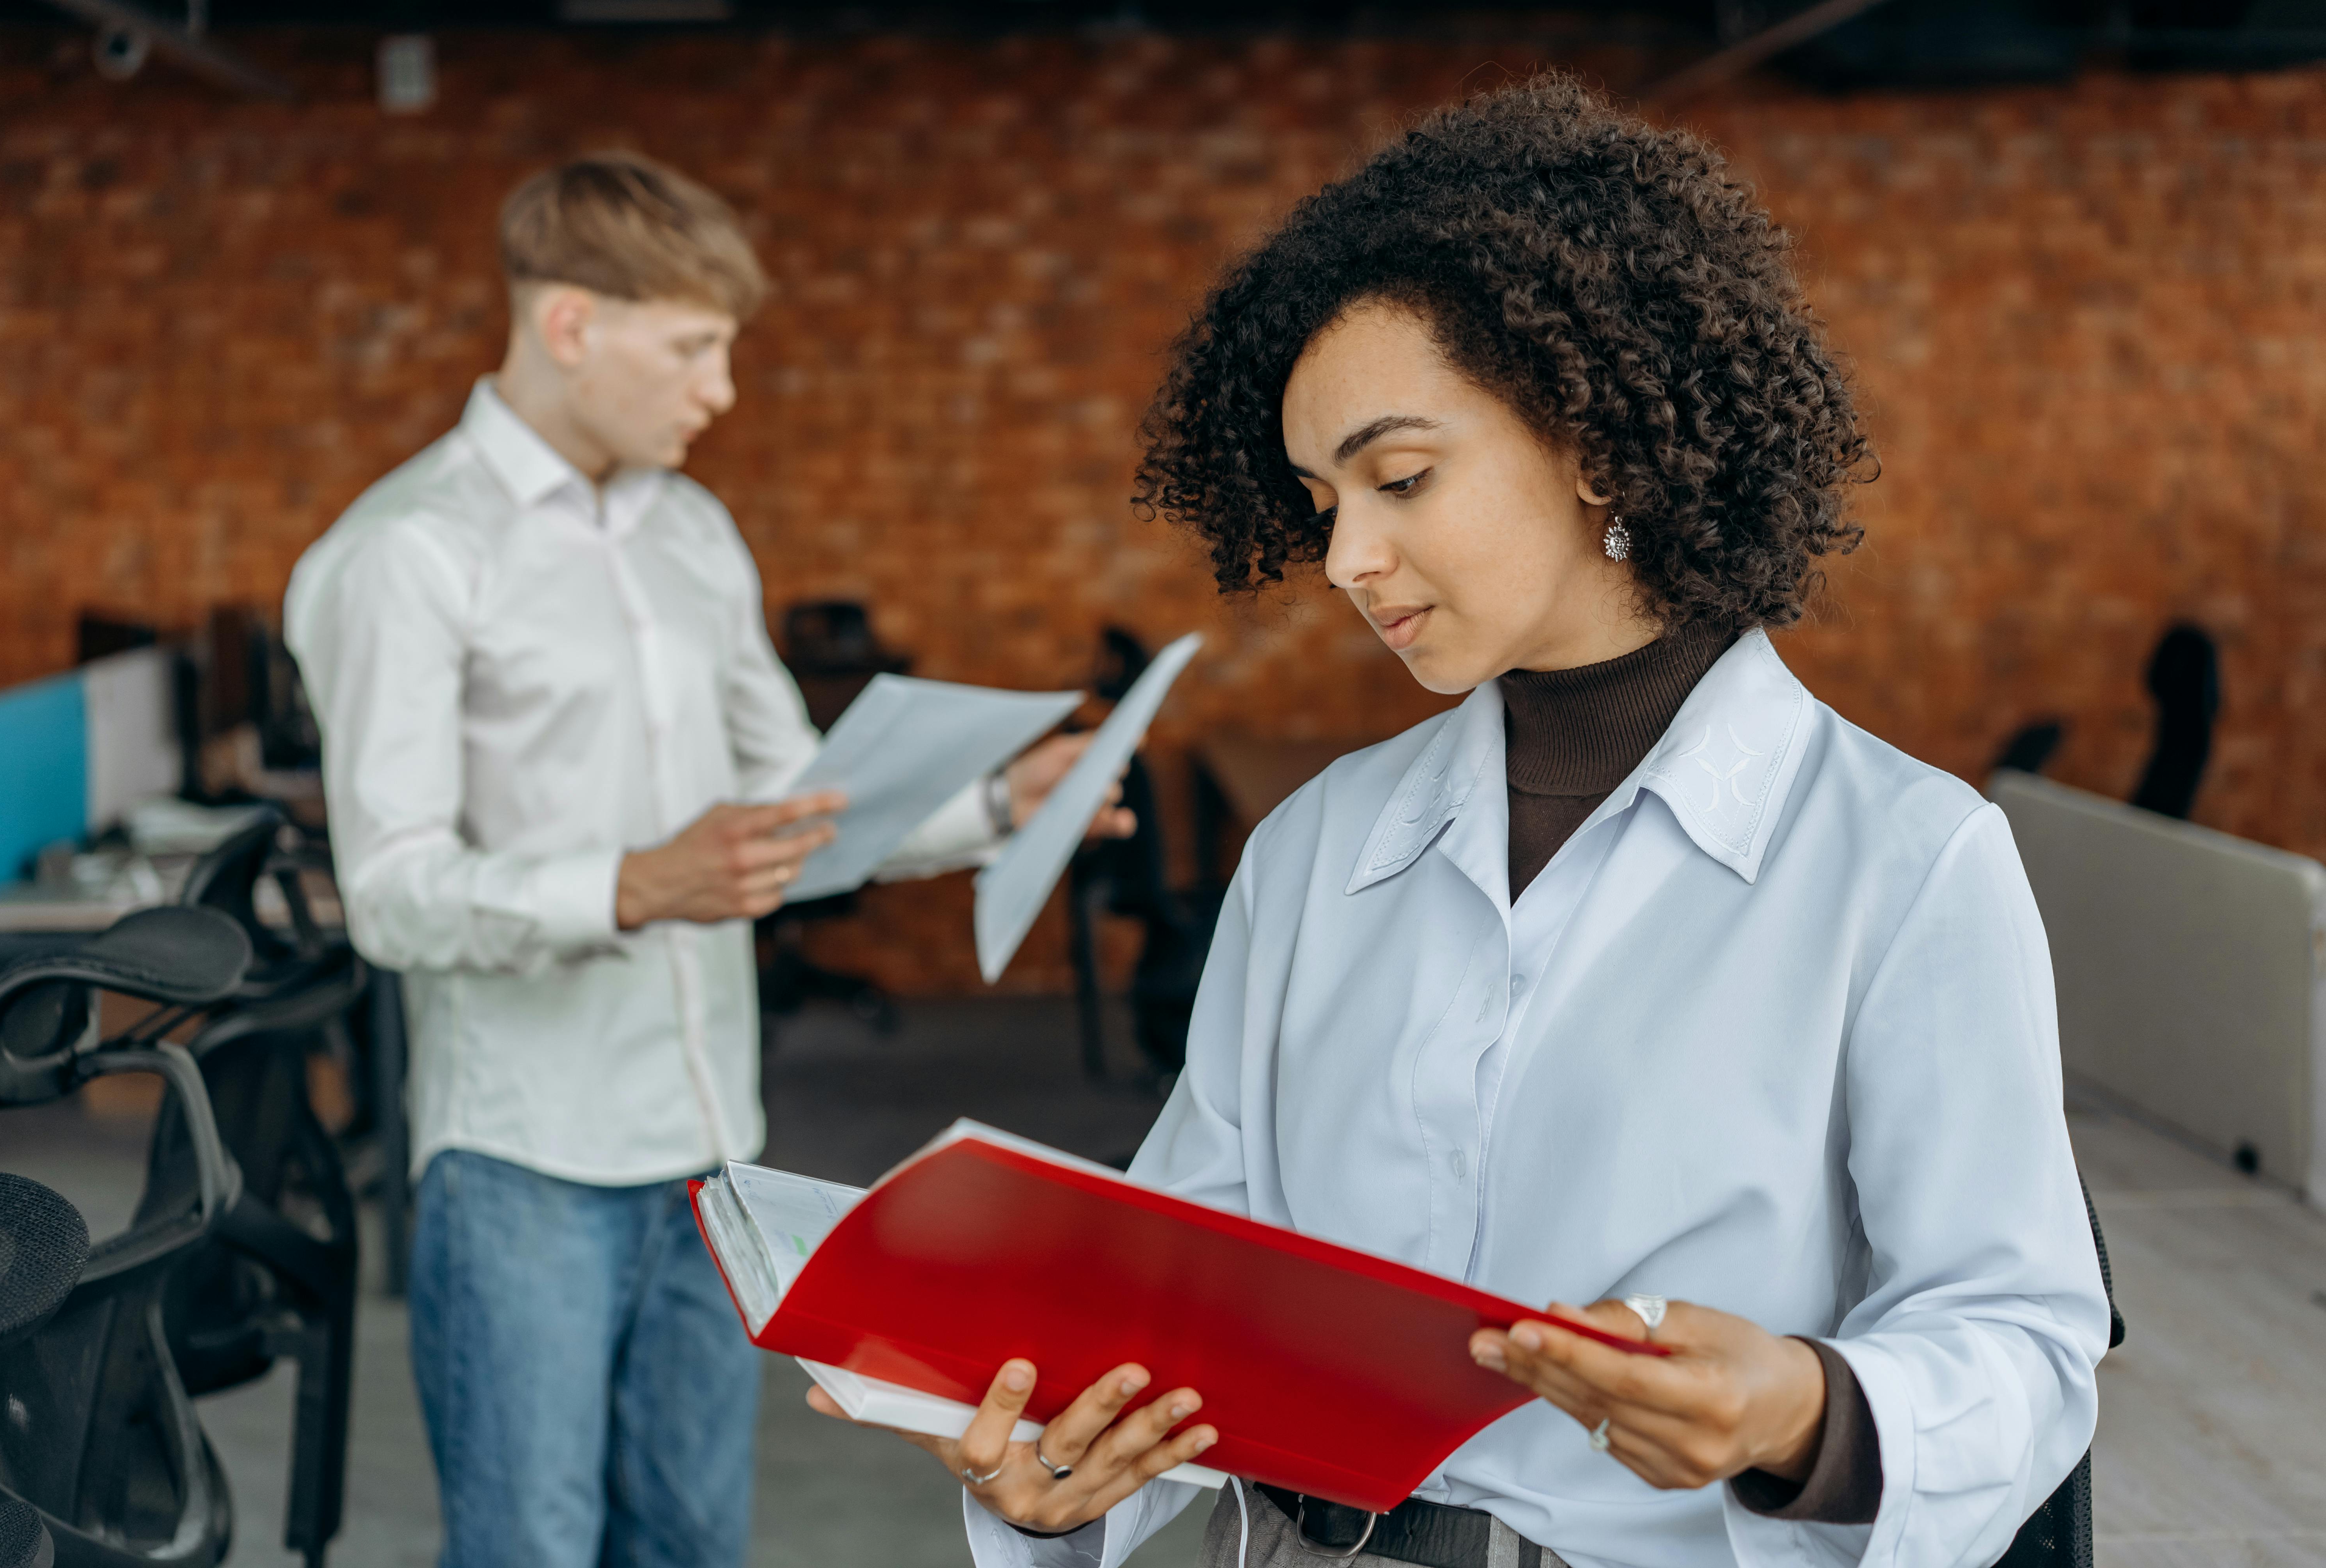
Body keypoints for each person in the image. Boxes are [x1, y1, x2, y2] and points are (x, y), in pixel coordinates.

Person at [815, 76, 2110, 1568]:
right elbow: (1182, 1291)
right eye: (1320, 503)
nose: (1350, 558)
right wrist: (1052, 1474)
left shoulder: (1903, 859)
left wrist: (1805, 1413)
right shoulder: (1312, 851)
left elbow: (2023, 1345)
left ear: (1599, 443)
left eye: (1403, 478)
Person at [285, 152, 1128, 1568]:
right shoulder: (406, 559)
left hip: (713, 1162)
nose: (721, 389)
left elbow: (798, 811)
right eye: (692, 349)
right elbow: (392, 894)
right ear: (571, 328)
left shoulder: (692, 532)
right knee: (529, 1552)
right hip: (524, 1164)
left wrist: (997, 805)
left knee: (689, 1545)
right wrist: (638, 884)